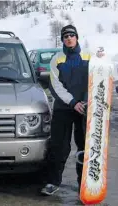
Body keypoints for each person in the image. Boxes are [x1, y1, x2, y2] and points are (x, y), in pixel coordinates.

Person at [40, 25, 104, 196]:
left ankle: (83, 183)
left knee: (85, 146)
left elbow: (98, 77)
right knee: (59, 146)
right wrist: (73, 101)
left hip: (85, 108)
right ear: (62, 39)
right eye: (65, 36)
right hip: (63, 108)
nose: (69, 38)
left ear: (77, 37)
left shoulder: (89, 56)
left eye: (71, 35)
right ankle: (53, 182)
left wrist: (85, 100)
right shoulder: (57, 59)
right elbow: (55, 85)